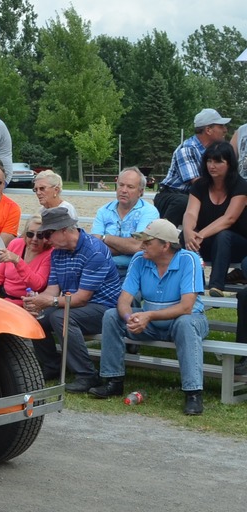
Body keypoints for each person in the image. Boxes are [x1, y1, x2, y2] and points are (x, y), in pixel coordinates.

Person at [88, 219, 208, 416]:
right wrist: (130, 318)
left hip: (185, 320)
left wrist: (148, 315)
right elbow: (123, 301)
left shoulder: (189, 259)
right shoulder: (138, 259)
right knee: (111, 315)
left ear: (165, 246)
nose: (141, 245)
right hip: (150, 322)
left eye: (147, 242)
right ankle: (113, 381)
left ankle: (193, 393)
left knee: (186, 323)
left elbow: (186, 307)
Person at [23, 207, 122, 392]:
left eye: (47, 234)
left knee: (60, 317)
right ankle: (51, 366)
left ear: (64, 230)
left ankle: (87, 375)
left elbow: (82, 298)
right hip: (77, 304)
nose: (45, 240)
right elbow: (53, 289)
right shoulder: (57, 252)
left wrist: (49, 302)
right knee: (37, 316)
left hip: (105, 308)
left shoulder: (94, 251)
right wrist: (36, 301)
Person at [180, 141, 247, 296]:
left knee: (224, 235)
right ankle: (197, 286)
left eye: (218, 161)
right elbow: (190, 213)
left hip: (237, 246)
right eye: (209, 161)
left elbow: (229, 219)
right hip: (208, 244)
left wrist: (200, 234)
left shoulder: (240, 185)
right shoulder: (200, 185)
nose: (212, 165)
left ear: (229, 163)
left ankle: (217, 286)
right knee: (184, 236)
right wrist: (189, 232)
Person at [155, 108, 230, 225]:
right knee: (183, 202)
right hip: (172, 195)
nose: (225, 130)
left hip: (193, 195)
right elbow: (197, 183)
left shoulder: (213, 151)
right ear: (208, 130)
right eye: (221, 126)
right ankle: (163, 236)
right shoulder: (187, 149)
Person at [91, 167, 161, 275]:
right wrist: (127, 246)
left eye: (130, 187)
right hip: (104, 270)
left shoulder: (149, 212)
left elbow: (139, 247)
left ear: (141, 192)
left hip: (137, 272)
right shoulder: (103, 211)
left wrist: (105, 237)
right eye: (121, 185)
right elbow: (95, 247)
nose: (123, 190)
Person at [0, 215, 53, 305]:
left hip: (27, 304)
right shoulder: (16, 244)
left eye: (40, 235)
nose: (34, 239)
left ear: (47, 237)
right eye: (30, 234)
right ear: (25, 234)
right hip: (4, 298)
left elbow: (37, 285)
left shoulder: (49, 254)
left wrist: (18, 261)